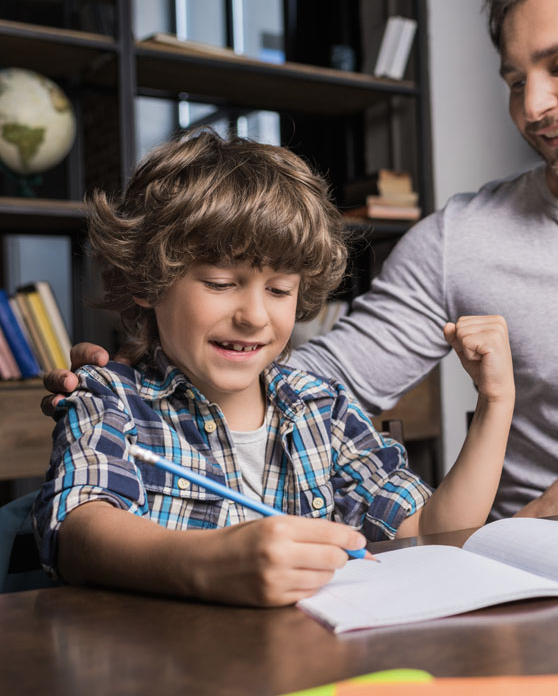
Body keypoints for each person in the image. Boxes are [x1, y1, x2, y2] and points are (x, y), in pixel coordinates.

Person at [46, 0, 558, 521]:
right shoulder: (459, 238)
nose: (534, 105)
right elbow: (315, 379)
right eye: (514, 80)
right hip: (531, 572)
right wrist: (145, 376)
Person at [33, 131, 514, 606]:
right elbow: (76, 529)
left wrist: (496, 403)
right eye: (220, 283)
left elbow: (431, 532)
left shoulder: (323, 408)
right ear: (147, 281)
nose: (255, 316)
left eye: (280, 290)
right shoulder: (109, 398)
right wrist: (209, 563)